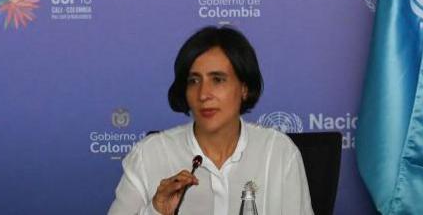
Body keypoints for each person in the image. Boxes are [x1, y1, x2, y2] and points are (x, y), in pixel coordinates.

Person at [108, 26, 313, 215]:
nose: (203, 94)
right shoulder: (149, 155)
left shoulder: (279, 152)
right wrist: (156, 211)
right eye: (194, 81)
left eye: (218, 80)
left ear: (244, 87)